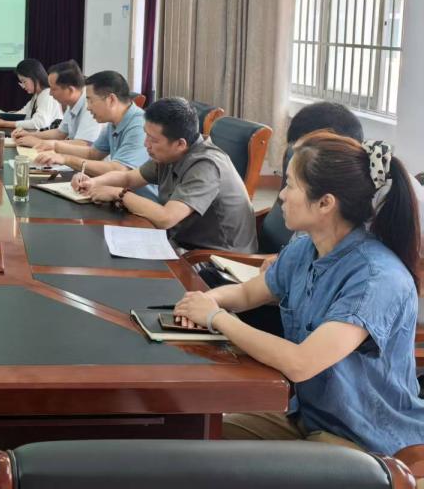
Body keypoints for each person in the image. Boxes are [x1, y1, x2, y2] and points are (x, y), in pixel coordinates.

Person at [172, 131, 424, 458]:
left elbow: (301, 363)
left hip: (366, 440)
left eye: (290, 185)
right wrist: (210, 300)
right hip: (308, 416)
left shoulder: (376, 279)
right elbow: (248, 293)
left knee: (221, 464)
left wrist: (216, 318)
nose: (281, 196)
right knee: (193, 436)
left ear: (325, 203)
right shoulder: (306, 248)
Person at [73, 97, 257, 252]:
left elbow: (166, 218)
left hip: (218, 260)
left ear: (180, 144)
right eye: (146, 135)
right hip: (183, 243)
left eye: (153, 140)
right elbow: (129, 178)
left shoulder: (206, 166)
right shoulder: (169, 154)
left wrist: (117, 193)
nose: (146, 144)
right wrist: (94, 182)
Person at [262, 100, 424, 253]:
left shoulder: (392, 196)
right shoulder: (325, 186)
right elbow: (306, 242)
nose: (300, 161)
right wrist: (284, 260)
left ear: (339, 150)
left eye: (308, 155)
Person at [35, 70, 150, 178]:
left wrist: (66, 159)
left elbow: (119, 169)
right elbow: (93, 153)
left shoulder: (140, 125)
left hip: (133, 193)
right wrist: (56, 146)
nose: (88, 107)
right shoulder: (113, 123)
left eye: (90, 100)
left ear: (111, 99)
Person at [12, 60, 100, 148]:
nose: (50, 93)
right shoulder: (72, 103)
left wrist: (39, 142)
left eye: (53, 89)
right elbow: (60, 133)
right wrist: (30, 135)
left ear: (70, 90)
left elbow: (84, 144)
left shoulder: (90, 105)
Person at [0, 59, 62, 132]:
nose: (23, 86)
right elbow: (23, 113)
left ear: (35, 77)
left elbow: (39, 123)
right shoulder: (38, 95)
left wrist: (6, 123)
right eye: (21, 82)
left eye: (24, 81)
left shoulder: (47, 95)